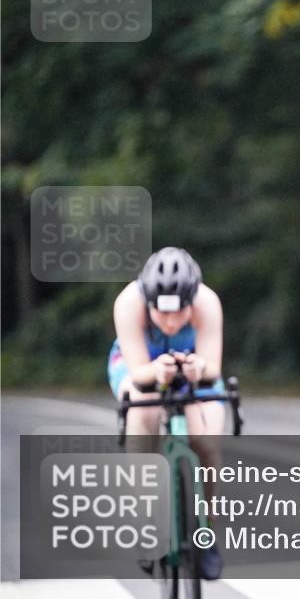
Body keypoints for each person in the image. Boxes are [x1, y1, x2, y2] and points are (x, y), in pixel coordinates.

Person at [108, 246, 225, 580]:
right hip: (141, 364)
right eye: (162, 314)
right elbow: (138, 372)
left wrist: (196, 368)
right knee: (142, 414)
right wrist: (156, 375)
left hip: (192, 365)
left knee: (206, 438)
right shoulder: (129, 303)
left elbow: (212, 369)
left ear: (192, 301)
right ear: (148, 302)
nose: (172, 322)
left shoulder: (207, 302)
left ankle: (207, 531)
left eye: (180, 313)